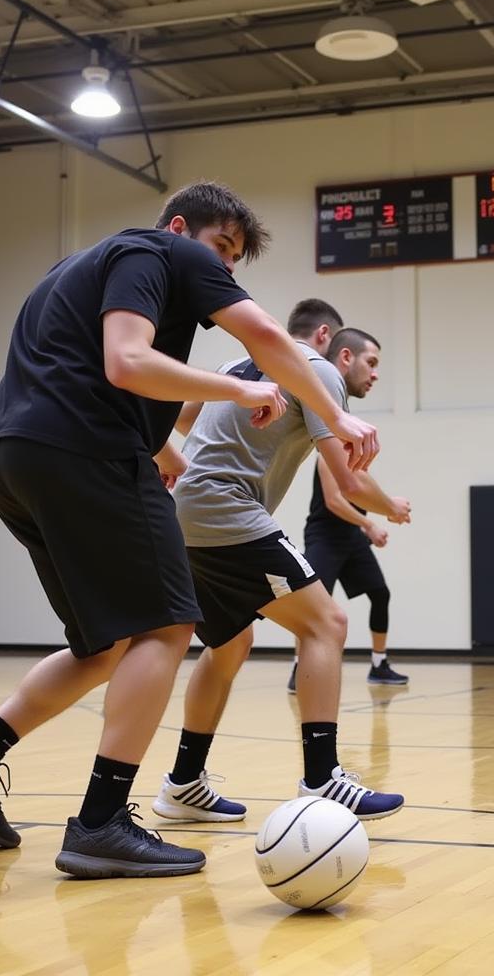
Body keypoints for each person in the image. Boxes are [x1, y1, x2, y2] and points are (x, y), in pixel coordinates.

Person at [0, 182, 378, 879]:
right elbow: (149, 358)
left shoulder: (74, 269)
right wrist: (309, 409)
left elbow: (90, 375)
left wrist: (164, 451)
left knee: (104, 645)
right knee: (166, 628)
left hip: (10, 456)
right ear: (182, 226)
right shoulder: (164, 252)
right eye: (221, 250)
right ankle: (101, 823)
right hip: (84, 453)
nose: (222, 270)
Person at [152, 316, 410, 825]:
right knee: (327, 623)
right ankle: (322, 777)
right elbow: (350, 483)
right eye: (370, 362)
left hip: (183, 513)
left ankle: (183, 783)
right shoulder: (318, 372)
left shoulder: (235, 365)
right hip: (225, 507)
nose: (373, 374)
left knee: (230, 643)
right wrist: (391, 507)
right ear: (331, 345)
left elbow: (184, 420)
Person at [288, 448, 410, 692]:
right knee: (311, 603)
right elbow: (334, 501)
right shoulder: (327, 453)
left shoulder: (356, 459)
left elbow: (363, 492)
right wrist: (370, 525)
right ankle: (300, 666)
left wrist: (376, 518)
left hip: (351, 536)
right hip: (324, 537)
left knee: (380, 594)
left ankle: (379, 664)